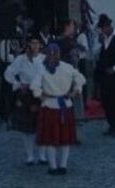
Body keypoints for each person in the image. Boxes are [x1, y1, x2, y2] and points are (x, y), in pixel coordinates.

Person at [32, 42, 86, 176]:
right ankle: (63, 166)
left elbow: (34, 87)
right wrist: (75, 91)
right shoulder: (68, 68)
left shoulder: (42, 69)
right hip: (65, 105)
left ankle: (53, 167)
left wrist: (40, 95)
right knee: (65, 138)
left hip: (50, 105)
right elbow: (81, 79)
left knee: (50, 139)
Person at [5, 36, 47, 165]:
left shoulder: (43, 59)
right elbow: (8, 73)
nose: (34, 46)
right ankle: (29, 155)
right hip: (25, 94)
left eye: (37, 43)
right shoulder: (20, 59)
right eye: (32, 43)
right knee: (26, 128)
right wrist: (18, 84)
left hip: (40, 94)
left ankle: (42, 155)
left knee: (42, 125)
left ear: (40, 45)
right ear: (28, 44)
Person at [94, 14, 115, 137]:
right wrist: (99, 43)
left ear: (108, 26)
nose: (102, 30)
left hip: (114, 75)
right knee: (106, 100)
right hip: (103, 73)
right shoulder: (102, 38)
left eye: (103, 28)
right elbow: (95, 54)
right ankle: (111, 124)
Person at [0, 29, 23, 126]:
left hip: (15, 69)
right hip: (7, 69)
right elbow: (4, 57)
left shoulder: (15, 42)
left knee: (15, 92)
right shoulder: (4, 43)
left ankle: (14, 113)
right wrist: (15, 56)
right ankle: (5, 114)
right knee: (6, 93)